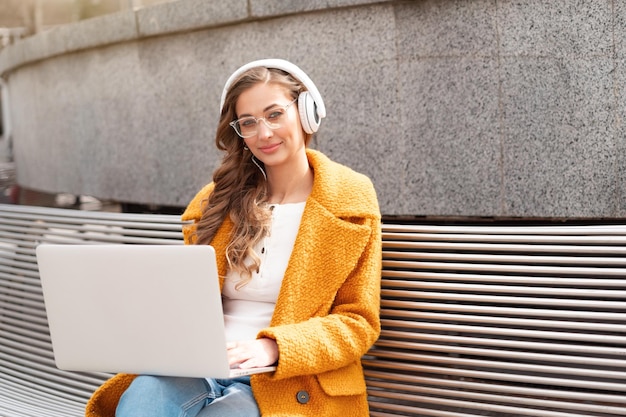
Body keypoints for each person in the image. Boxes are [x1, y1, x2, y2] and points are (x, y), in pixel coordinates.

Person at [85, 58, 382, 417]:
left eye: (274, 114)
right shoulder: (216, 201)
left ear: (306, 112)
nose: (264, 133)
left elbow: (358, 321)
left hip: (286, 379)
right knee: (143, 398)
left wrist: (274, 348)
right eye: (249, 123)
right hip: (202, 367)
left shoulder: (350, 198)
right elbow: (185, 303)